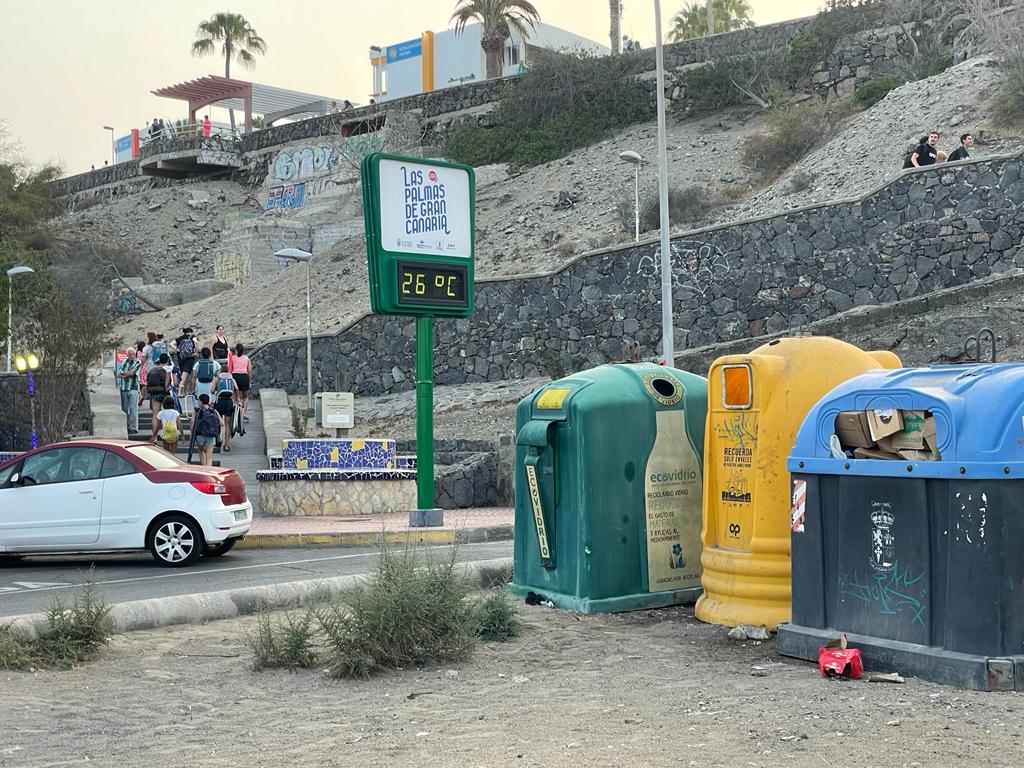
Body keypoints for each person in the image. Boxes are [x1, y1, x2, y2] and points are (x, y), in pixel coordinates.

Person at [146, 353, 173, 445]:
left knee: (155, 415)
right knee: (167, 414)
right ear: (167, 360)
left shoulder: (154, 369)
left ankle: (155, 437)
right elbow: (167, 383)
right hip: (164, 393)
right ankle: (168, 435)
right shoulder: (168, 369)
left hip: (154, 393)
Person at [116, 348, 142, 434]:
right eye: (129, 354)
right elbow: (119, 374)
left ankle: (133, 427)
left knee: (133, 409)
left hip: (133, 388)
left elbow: (132, 373)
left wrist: (124, 373)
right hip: (123, 388)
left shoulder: (138, 362)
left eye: (132, 354)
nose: (131, 356)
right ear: (127, 355)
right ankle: (126, 426)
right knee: (124, 409)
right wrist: (125, 374)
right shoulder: (124, 362)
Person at [214, 370, 239, 452]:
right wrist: (237, 399)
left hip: (219, 401)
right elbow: (236, 388)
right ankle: (227, 445)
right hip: (229, 402)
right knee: (227, 424)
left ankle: (218, 439)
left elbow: (211, 390)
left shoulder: (218, 378)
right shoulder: (231, 378)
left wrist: (216, 391)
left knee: (218, 422)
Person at [193, 394, 220, 466]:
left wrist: (192, 433)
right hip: (211, 434)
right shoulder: (213, 411)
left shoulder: (197, 410)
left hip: (200, 434)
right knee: (209, 455)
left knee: (201, 451)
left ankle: (204, 468)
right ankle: (208, 470)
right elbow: (222, 423)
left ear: (201, 401)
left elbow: (192, 421)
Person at [228, 343, 253, 420]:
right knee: (245, 397)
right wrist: (249, 381)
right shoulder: (246, 358)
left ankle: (236, 413)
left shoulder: (233, 358)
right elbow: (249, 370)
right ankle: (244, 413)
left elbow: (230, 368)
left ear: (236, 350)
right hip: (244, 377)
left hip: (235, 376)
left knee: (235, 397)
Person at [175, 327, 199, 396]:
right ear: (191, 332)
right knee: (185, 375)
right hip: (189, 358)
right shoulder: (192, 337)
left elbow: (171, 344)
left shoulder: (180, 338)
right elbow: (196, 342)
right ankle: (180, 392)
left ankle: (183, 392)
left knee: (183, 374)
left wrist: (177, 349)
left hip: (181, 358)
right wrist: (196, 352)